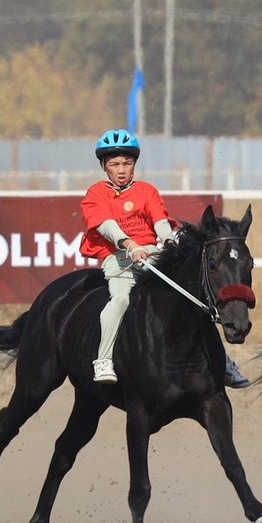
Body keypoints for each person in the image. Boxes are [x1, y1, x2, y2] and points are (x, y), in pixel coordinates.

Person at [80, 129, 176, 385]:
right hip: (118, 257)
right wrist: (130, 245)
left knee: (189, 293)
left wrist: (169, 241)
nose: (121, 170)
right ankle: (103, 360)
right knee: (120, 299)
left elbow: (159, 219)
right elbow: (106, 226)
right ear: (103, 166)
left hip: (151, 254)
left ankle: (223, 363)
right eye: (114, 164)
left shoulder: (146, 190)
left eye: (127, 163)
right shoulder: (96, 193)